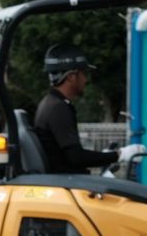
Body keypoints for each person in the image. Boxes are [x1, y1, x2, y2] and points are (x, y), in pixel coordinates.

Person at [33, 45, 119, 173]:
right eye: (84, 74)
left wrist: (104, 155)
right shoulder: (58, 108)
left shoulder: (49, 103)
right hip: (67, 183)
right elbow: (76, 157)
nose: (85, 80)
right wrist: (118, 156)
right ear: (71, 77)